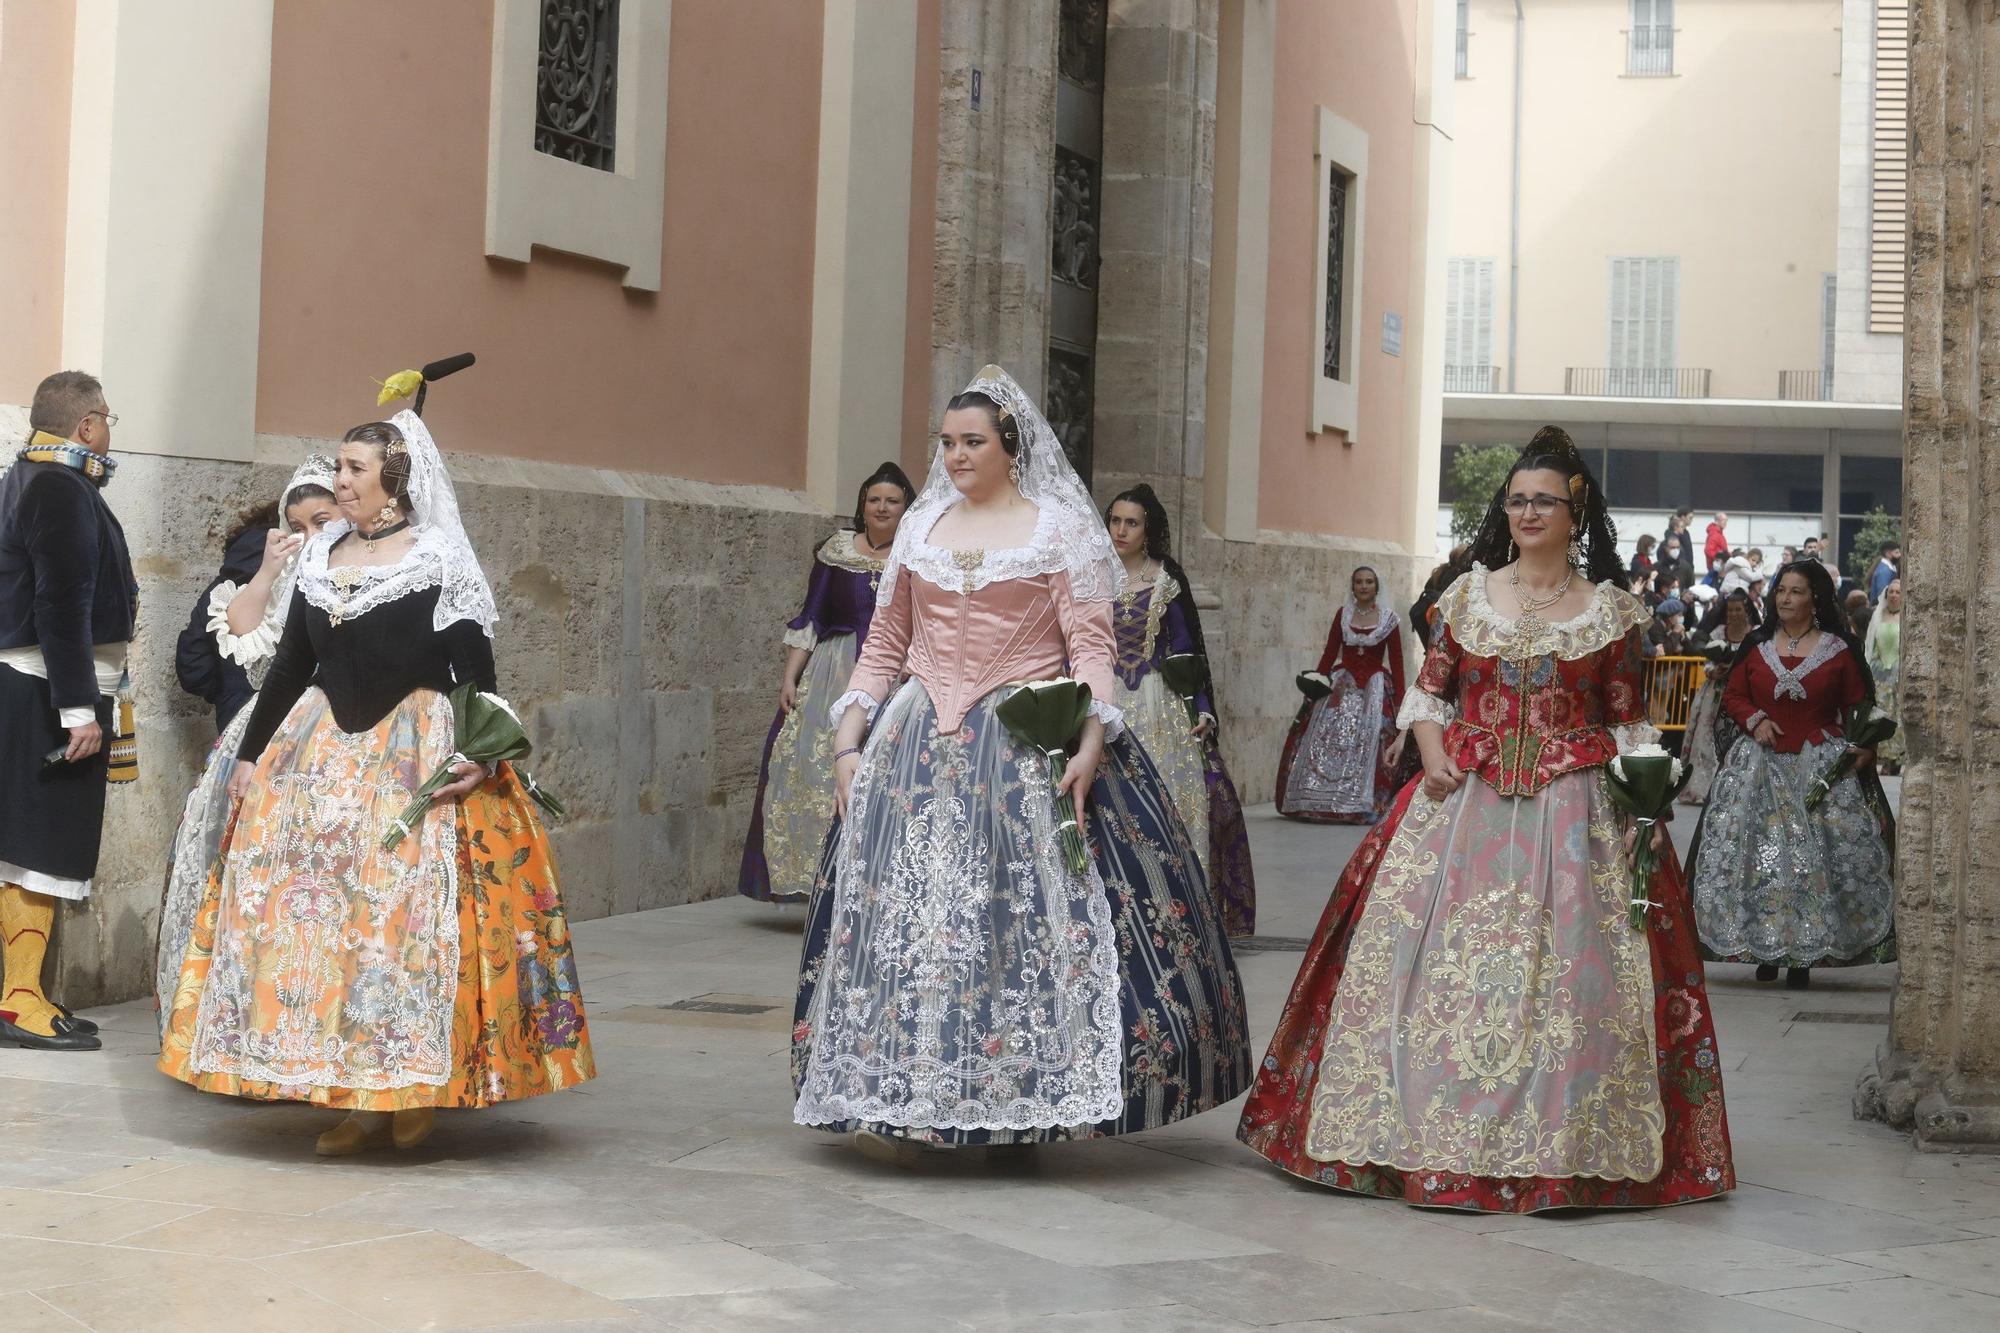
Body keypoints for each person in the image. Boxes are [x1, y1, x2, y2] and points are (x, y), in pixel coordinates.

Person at [1238, 425, 1734, 1212]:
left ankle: (1562, 1145)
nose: (1529, 511)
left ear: (1576, 512)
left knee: (1572, 978)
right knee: (1421, 968)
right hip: (1460, 799)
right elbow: (1432, 691)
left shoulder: (1610, 612)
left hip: (1576, 810)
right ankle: (1420, 1137)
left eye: (1545, 500)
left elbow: (1628, 720)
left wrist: (1641, 802)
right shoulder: (1468, 595)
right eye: (1517, 500)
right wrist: (1430, 753)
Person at [792, 366, 1248, 1158]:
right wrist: (846, 742)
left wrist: (1091, 741)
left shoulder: (1058, 530)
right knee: (916, 922)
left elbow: (1092, 649)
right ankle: (910, 1091)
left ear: (1011, 446)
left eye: (972, 442)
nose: (956, 456)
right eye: (947, 442)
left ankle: (1009, 1097)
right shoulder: (921, 529)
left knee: (1009, 919)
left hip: (1022, 749)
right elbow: (884, 648)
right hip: (914, 750)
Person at [159, 405, 595, 1154]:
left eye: (353, 468)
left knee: (398, 925)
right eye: (339, 466)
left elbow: (477, 673)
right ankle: (353, 1097)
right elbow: (292, 667)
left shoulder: (437, 556)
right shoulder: (323, 553)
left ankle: (409, 1094)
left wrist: (480, 752)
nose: (340, 480)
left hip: (415, 756)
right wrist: (249, 756)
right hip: (321, 754)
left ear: (394, 479)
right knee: (329, 926)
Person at [156, 457, 340, 1038]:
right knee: (244, 879)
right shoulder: (281, 573)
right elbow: (237, 631)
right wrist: (266, 569)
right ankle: (229, 1021)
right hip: (263, 733)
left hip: (332, 739)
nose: (310, 535)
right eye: (298, 524)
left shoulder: (363, 570)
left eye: (322, 520)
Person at [0, 371, 134, 1052]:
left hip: (39, 686)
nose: (111, 429)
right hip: (50, 691)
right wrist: (79, 707)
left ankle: (23, 993)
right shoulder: (57, 484)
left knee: (30, 844)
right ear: (86, 426)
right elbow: (61, 601)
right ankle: (20, 999)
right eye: (108, 417)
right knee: (39, 849)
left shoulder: (35, 476)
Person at [1687, 561, 1896, 989]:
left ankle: (1805, 952)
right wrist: (1755, 720)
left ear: (1814, 598)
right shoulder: (1757, 644)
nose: (1785, 598)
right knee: (1757, 858)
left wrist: (1866, 745)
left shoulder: (1838, 651)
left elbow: (1860, 705)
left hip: (1819, 765)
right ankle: (1761, 947)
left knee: (1813, 859)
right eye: (1781, 590)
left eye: (1796, 591)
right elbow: (1735, 696)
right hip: (1758, 765)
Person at [737, 462, 914, 903]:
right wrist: (790, 675)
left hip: (897, 671)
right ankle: (820, 883)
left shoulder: (918, 552)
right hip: (832, 674)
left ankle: (877, 887)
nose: (882, 507)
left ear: (906, 507)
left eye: (892, 501)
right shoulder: (836, 550)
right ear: (862, 504)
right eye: (874, 499)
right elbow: (811, 616)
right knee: (815, 772)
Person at [1104, 483, 1258, 936]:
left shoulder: (1166, 580)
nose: (1121, 530)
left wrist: (1203, 710)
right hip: (1107, 702)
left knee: (1170, 804)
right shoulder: (1093, 577)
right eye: (1115, 520)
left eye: (1131, 522)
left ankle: (1176, 909)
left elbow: (1187, 653)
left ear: (1148, 528)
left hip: (1160, 709)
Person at [1273, 567, 1406, 824]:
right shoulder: (1343, 615)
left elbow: (1397, 662)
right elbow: (1330, 651)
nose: (1364, 586)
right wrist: (1317, 682)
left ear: (1376, 587)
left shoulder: (1389, 619)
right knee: (1323, 738)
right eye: (1359, 582)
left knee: (1372, 739)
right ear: (1352, 586)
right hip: (1341, 685)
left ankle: (1364, 804)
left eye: (1369, 582)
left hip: (1375, 689)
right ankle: (1315, 801)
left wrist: (1401, 701)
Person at [1680, 589, 1757, 805]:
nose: (1733, 614)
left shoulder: (1755, 633)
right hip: (1715, 694)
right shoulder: (1718, 633)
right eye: (1730, 610)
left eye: (1737, 609)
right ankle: (1703, 787)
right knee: (1706, 738)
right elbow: (1707, 661)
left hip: (1745, 694)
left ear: (1747, 610)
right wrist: (1713, 670)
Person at [1865, 578, 1903, 772]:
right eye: (1891, 592)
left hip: (1898, 669)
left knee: (1896, 712)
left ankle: (1895, 758)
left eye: (1898, 592)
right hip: (1880, 671)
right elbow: (1870, 645)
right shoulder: (1878, 616)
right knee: (1881, 712)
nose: (1894, 595)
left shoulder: (1905, 618)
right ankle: (1880, 753)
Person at [1704, 511, 1730, 581]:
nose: (1725, 523)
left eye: (1726, 520)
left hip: (1718, 567)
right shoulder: (1715, 534)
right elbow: (1708, 550)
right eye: (1723, 520)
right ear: (1716, 521)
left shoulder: (1718, 534)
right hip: (1716, 568)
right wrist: (1719, 558)